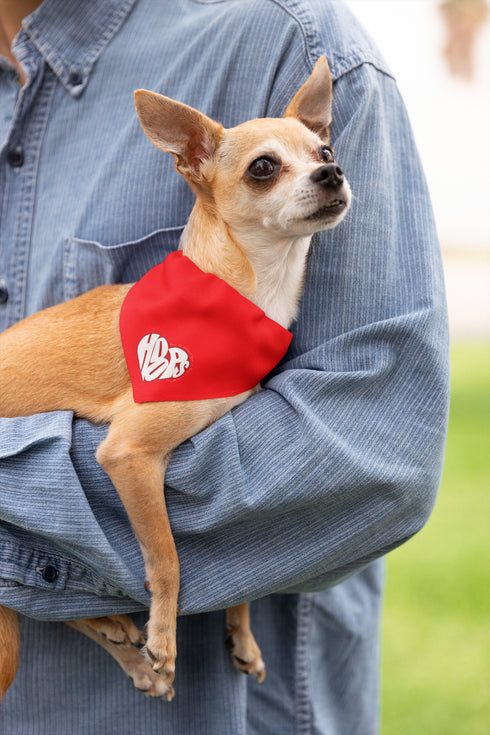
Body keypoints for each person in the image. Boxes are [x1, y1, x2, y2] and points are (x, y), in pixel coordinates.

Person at [0, 0, 449, 733]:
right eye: (267, 170)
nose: (323, 176)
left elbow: (373, 457)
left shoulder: (290, 39)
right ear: (193, 162)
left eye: (322, 158)